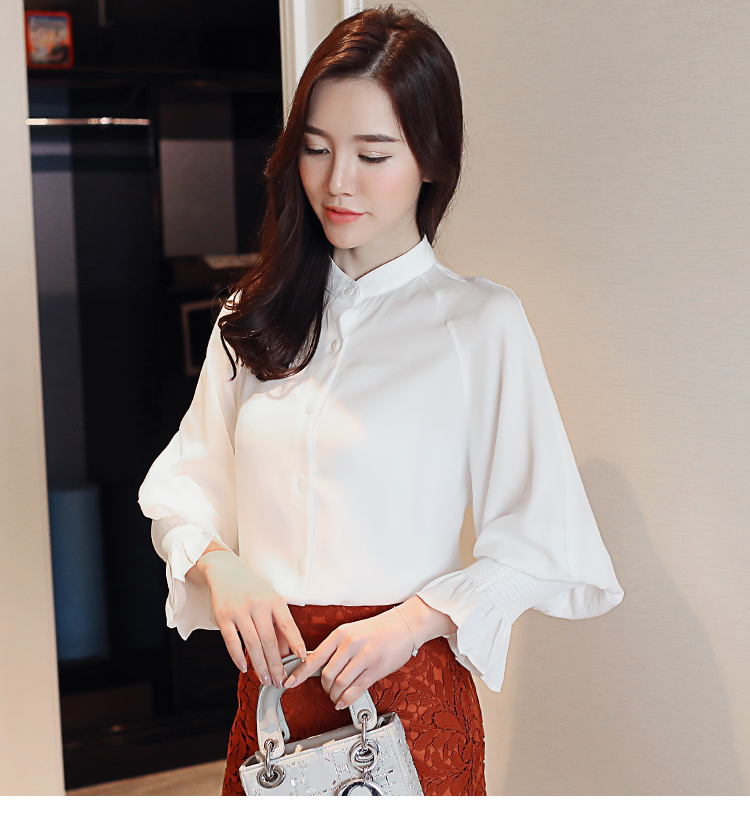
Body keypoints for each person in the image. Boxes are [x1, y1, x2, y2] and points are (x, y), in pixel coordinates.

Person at [138, 6, 624, 797]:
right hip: (271, 701)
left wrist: (414, 619)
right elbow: (182, 491)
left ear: (431, 158)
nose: (338, 181)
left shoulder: (479, 322)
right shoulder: (251, 317)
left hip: (407, 699)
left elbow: (543, 540)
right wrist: (219, 566)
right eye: (317, 148)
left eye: (372, 154)